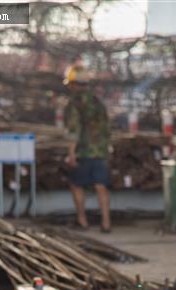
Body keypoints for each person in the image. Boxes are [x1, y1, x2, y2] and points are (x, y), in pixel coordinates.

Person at [64, 65, 112, 233]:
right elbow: (107, 128)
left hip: (83, 151)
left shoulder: (74, 103)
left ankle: (82, 220)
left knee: (76, 185)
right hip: (100, 151)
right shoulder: (97, 102)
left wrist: (71, 154)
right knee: (101, 186)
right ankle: (106, 223)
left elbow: (73, 129)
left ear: (74, 84)